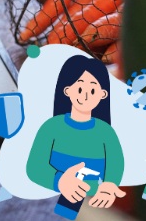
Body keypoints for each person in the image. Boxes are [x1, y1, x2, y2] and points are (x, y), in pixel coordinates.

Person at [26, 55, 125, 219]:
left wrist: (110, 184)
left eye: (92, 90)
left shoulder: (106, 132)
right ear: (67, 90)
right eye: (80, 89)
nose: (86, 95)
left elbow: (116, 163)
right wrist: (59, 180)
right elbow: (35, 167)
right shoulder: (50, 128)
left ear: (102, 94)